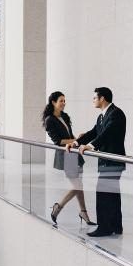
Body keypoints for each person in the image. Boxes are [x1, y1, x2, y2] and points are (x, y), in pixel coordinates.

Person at [67, 87, 126, 237]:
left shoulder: (116, 114)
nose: (93, 100)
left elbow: (107, 134)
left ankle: (105, 228)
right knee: (112, 194)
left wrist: (91, 146)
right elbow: (93, 132)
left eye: (94, 98)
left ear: (102, 99)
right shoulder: (102, 116)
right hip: (106, 161)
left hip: (113, 161)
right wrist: (75, 143)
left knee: (104, 193)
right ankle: (116, 226)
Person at [42, 91, 96, 226]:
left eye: (64, 101)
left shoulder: (64, 116)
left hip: (74, 152)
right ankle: (58, 207)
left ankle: (83, 212)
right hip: (66, 154)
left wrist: (77, 139)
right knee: (77, 185)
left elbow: (70, 136)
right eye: (61, 101)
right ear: (53, 102)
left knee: (79, 185)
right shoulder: (50, 120)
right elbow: (58, 141)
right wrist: (77, 139)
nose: (64, 103)